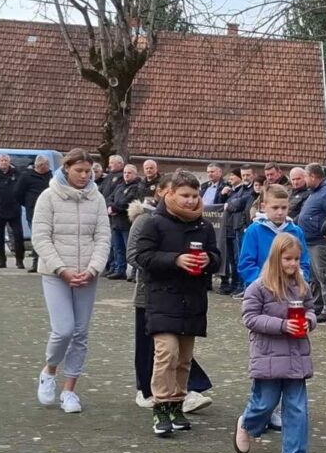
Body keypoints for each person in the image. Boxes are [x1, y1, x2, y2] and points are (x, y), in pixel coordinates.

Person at [134, 171, 221, 437]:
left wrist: (209, 261)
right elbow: (143, 257)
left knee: (184, 359)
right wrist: (175, 260)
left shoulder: (204, 226)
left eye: (195, 196)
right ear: (169, 193)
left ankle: (177, 404)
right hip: (162, 297)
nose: (190, 201)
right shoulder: (153, 223)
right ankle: (160, 406)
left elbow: (218, 258)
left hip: (193, 299)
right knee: (166, 353)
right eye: (184, 195)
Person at [30, 149, 111, 413]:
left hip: (87, 273)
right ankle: (49, 369)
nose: (85, 176)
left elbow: (102, 237)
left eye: (89, 171)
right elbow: (41, 237)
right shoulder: (48, 196)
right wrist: (61, 269)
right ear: (66, 169)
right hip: (56, 273)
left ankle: (69, 390)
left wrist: (93, 268)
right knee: (63, 329)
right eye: (79, 171)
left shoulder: (96, 198)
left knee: (80, 332)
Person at [234, 233, 318, 453]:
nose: (292, 264)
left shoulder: (301, 286)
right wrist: (281, 325)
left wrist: (308, 322)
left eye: (296, 259)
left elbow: (311, 310)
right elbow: (250, 318)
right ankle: (247, 423)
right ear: (276, 258)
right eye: (287, 259)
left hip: (296, 355)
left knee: (297, 407)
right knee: (264, 403)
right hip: (268, 355)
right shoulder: (259, 287)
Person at [238, 185, 312, 287]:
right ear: (264, 207)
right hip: (262, 289)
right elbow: (246, 265)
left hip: (290, 289)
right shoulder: (254, 231)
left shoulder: (296, 231)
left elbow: (304, 263)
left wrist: (297, 281)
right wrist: (266, 282)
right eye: (275, 208)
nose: (280, 212)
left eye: (284, 208)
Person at [297, 163, 326, 321]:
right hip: (309, 240)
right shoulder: (314, 192)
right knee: (314, 277)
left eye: (304, 177)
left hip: (320, 241)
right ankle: (317, 305)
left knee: (325, 275)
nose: (304, 180)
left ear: (312, 176)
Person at [15, 154, 52, 272]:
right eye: (47, 165)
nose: (49, 167)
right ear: (41, 166)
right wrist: (27, 203)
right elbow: (17, 193)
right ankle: (35, 263)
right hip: (33, 211)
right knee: (37, 236)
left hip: (49, 210)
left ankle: (45, 262)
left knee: (47, 236)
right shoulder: (26, 176)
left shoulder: (50, 176)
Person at [107, 164, 144, 280]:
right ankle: (120, 270)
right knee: (118, 248)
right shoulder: (120, 186)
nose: (126, 175)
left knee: (130, 249)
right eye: (125, 173)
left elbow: (129, 201)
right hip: (115, 222)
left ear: (135, 174)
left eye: (129, 173)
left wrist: (115, 208)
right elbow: (110, 198)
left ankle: (135, 272)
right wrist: (109, 206)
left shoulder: (137, 187)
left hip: (127, 222)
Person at [218, 170, 250, 296]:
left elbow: (236, 206)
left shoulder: (243, 190)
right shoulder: (231, 191)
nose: (230, 178)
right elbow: (222, 204)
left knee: (237, 258)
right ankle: (233, 283)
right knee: (231, 258)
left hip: (236, 227)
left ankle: (239, 284)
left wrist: (229, 204)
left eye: (233, 175)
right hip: (228, 227)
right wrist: (223, 195)